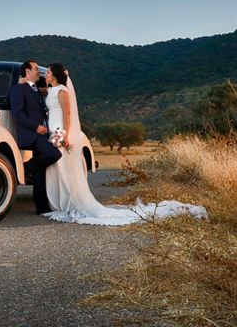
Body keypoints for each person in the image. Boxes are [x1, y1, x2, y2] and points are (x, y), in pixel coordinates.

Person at [40, 63, 208, 225]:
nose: (45, 74)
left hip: (61, 131)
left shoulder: (63, 91)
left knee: (64, 168)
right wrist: (26, 83)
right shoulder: (52, 90)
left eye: (47, 72)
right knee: (57, 168)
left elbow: (68, 114)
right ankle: (60, 202)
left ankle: (71, 202)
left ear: (55, 75)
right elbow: (40, 91)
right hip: (54, 131)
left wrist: (66, 135)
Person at [9, 60, 62, 214]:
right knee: (54, 154)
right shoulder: (19, 89)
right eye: (35, 69)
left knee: (40, 173)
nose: (39, 71)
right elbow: (17, 113)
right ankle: (24, 169)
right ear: (27, 71)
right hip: (32, 134)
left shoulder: (36, 90)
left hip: (42, 134)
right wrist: (36, 127)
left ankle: (42, 207)